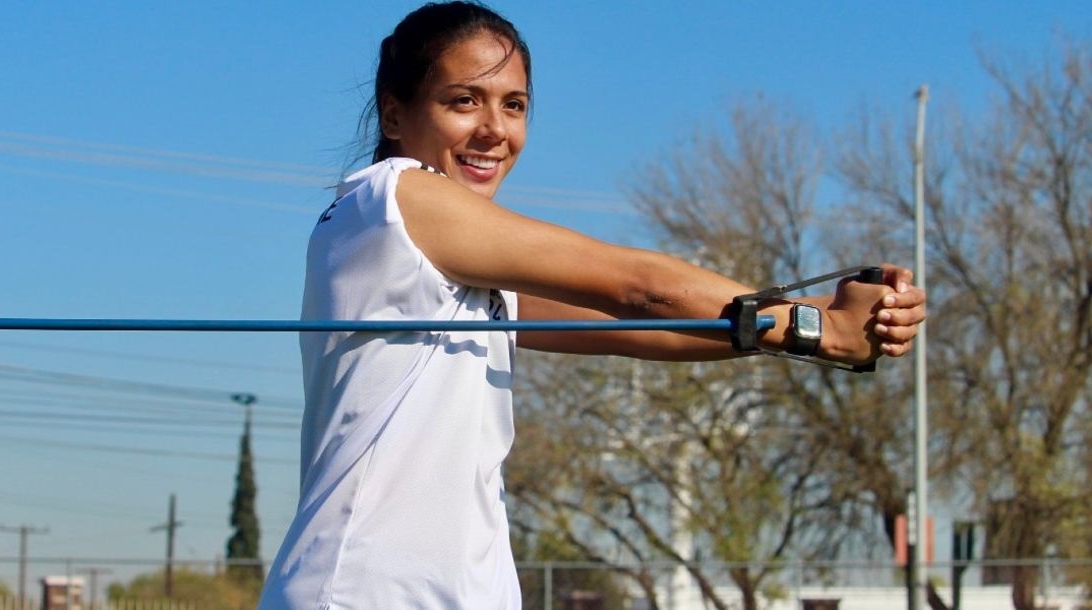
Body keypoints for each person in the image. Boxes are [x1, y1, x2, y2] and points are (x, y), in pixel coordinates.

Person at [257, 2, 926, 609]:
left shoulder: (446, 263)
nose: (495, 130)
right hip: (362, 591)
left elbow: (637, 324)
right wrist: (822, 332)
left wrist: (820, 314)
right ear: (396, 113)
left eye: (514, 105)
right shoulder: (395, 197)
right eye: (465, 100)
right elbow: (633, 283)